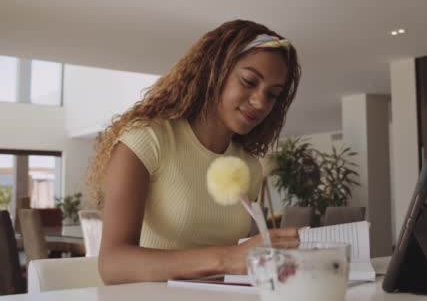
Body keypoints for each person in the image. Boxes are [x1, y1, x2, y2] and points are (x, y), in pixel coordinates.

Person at [86, 20, 302, 284]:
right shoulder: (148, 140)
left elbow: (244, 261)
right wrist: (227, 258)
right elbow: (113, 265)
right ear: (214, 72)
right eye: (248, 81)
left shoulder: (248, 167)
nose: (260, 102)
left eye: (272, 95)